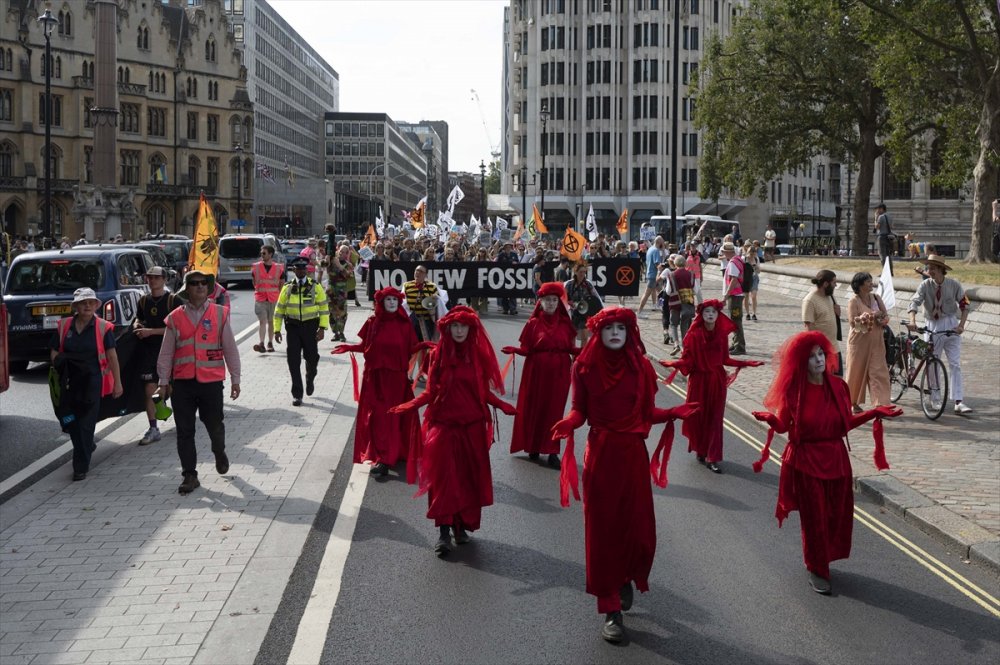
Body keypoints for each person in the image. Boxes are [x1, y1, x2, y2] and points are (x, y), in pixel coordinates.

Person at [551, 307, 697, 643]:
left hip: (632, 456)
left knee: (637, 530)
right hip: (601, 457)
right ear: (598, 333)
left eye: (621, 327)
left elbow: (647, 412)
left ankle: (625, 577)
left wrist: (674, 411)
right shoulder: (584, 367)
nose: (615, 333)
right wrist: (570, 423)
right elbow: (580, 410)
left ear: (629, 331)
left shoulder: (641, 366)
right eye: (608, 328)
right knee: (603, 533)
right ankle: (611, 609)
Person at [752, 331, 901, 595]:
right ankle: (817, 568)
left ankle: (824, 559)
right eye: (812, 357)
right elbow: (784, 426)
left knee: (835, 516)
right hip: (806, 462)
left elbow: (845, 424)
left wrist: (874, 412)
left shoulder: (839, 387)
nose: (819, 360)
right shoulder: (793, 391)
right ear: (802, 362)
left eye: (821, 354)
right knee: (815, 519)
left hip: (837, 461)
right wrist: (769, 419)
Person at [389, 306, 517, 556]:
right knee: (445, 479)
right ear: (447, 329)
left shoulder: (477, 357)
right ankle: (444, 532)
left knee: (467, 479)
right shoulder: (438, 356)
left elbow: (483, 392)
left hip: (471, 428)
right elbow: (431, 391)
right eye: (454, 326)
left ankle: (461, 528)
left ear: (470, 329)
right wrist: (412, 404)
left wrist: (502, 404)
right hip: (444, 426)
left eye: (463, 326)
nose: (459, 331)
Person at [156, 270, 241, 495]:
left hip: (211, 382)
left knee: (214, 424)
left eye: (204, 283)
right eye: (195, 283)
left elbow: (230, 349)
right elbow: (166, 353)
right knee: (185, 430)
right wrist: (163, 381)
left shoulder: (220, 314)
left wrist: (236, 379)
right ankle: (189, 475)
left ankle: (219, 451)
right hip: (182, 383)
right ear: (187, 289)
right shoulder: (175, 317)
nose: (200, 286)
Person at [660, 299, 762, 473]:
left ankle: (712, 457)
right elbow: (688, 361)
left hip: (716, 381)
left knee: (715, 419)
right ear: (701, 314)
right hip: (698, 381)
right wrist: (673, 363)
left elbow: (725, 360)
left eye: (713, 312)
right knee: (698, 417)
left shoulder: (722, 335)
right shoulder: (693, 335)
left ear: (718, 315)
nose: (710, 314)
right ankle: (701, 449)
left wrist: (746, 363)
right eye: (707, 311)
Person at [332, 287, 423, 476]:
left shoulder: (404, 324)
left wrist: (426, 346)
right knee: (378, 417)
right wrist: (350, 347)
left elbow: (412, 347)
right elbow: (366, 346)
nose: (391, 303)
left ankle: (391, 454)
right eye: (388, 300)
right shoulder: (373, 322)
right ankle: (383, 457)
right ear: (381, 302)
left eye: (395, 300)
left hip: (396, 380)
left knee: (394, 416)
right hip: (374, 378)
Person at [50, 288, 124, 480]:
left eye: (91, 302)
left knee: (85, 424)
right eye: (83, 302)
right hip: (68, 383)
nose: (88, 305)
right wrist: (59, 361)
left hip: (92, 382)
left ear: (96, 305)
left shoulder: (102, 327)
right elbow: (54, 351)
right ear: (75, 306)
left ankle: (80, 467)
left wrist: (118, 383)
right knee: (69, 421)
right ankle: (87, 445)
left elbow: (112, 356)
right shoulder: (64, 325)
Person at [502, 282, 578, 469]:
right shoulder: (533, 324)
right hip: (535, 372)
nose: (551, 303)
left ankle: (552, 451)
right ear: (540, 302)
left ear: (558, 302)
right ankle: (533, 446)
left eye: (554, 300)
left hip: (560, 373)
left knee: (554, 411)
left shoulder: (566, 325)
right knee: (535, 408)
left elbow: (570, 348)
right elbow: (527, 349)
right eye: (547, 300)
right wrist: (516, 350)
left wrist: (588, 350)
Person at [907, 255, 972, 414]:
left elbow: (964, 305)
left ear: (941, 270)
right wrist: (913, 320)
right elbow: (914, 302)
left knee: (955, 363)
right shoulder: (925, 285)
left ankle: (958, 401)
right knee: (933, 362)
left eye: (933, 268)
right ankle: (935, 398)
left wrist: (961, 325)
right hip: (932, 324)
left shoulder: (954, 285)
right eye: (928, 268)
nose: (929, 271)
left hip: (950, 324)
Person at [274, 257, 329, 407]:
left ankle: (310, 377)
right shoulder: (287, 287)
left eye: (303, 269)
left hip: (310, 327)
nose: (301, 271)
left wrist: (323, 328)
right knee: (293, 361)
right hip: (292, 327)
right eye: (298, 269)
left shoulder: (315, 286)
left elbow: (324, 308)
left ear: (306, 270)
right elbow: (279, 309)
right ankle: (297, 394)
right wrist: (277, 329)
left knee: (312, 358)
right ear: (293, 270)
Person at [133, 267, 179, 445]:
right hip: (149, 352)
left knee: (172, 389)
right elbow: (138, 318)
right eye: (149, 277)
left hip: (170, 351)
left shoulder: (173, 300)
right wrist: (137, 325)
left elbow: (176, 328)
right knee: (149, 390)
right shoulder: (144, 301)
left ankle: (181, 421)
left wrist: (150, 331)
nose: (152, 281)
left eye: (156, 277)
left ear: (164, 279)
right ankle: (153, 428)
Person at [844, 272, 890, 412]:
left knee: (879, 372)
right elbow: (853, 322)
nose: (871, 284)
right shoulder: (854, 301)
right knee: (855, 372)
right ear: (859, 285)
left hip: (876, 341)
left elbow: (885, 314)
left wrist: (884, 320)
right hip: (859, 342)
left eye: (871, 281)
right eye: (868, 281)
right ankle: (853, 402)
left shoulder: (876, 297)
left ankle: (881, 404)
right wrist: (871, 315)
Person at [801, 270, 842, 375]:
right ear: (825, 284)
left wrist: (838, 313)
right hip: (821, 351)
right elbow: (808, 327)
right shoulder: (810, 300)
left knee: (838, 381)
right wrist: (813, 351)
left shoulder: (830, 297)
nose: (836, 285)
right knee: (824, 384)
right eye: (834, 283)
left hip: (834, 348)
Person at [251, 245, 284, 353]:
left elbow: (282, 284)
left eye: (264, 253)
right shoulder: (255, 267)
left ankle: (270, 343)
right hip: (260, 298)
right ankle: (261, 343)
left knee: (271, 322)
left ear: (270, 254)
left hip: (273, 299)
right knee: (262, 321)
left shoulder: (279, 267)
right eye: (261, 253)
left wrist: (278, 296)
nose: (262, 255)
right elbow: (254, 282)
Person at [661, 254, 695, 355]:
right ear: (685, 263)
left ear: (675, 264)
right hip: (687, 303)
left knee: (674, 324)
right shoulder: (691, 274)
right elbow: (696, 290)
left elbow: (668, 291)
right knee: (684, 325)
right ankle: (684, 347)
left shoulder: (671, 275)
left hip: (675, 303)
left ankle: (676, 344)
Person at [564, 261, 603, 346]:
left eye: (584, 272)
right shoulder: (569, 284)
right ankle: (573, 356)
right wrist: (571, 303)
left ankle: (582, 356)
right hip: (573, 314)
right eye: (580, 272)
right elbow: (564, 298)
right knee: (572, 337)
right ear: (576, 272)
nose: (582, 274)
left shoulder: (588, 284)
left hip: (584, 314)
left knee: (585, 337)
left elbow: (595, 297)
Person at [719, 242, 747, 354]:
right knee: (734, 319)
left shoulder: (732, 263)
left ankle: (740, 346)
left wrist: (726, 295)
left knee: (736, 320)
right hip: (736, 295)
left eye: (724, 252)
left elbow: (733, 280)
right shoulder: (738, 260)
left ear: (728, 252)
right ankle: (735, 342)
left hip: (734, 296)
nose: (723, 254)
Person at [327, 245, 353, 342]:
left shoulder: (348, 265)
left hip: (342, 292)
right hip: (331, 292)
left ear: (347, 254)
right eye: (341, 251)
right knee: (332, 313)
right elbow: (324, 266)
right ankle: (335, 333)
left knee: (342, 313)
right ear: (338, 251)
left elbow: (348, 276)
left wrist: (339, 266)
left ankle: (341, 333)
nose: (342, 253)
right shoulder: (332, 262)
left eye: (345, 252)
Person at [637, 236, 665, 316]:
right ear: (660, 242)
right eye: (662, 242)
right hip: (653, 275)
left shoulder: (650, 249)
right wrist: (662, 269)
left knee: (660, 292)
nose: (663, 244)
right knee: (647, 293)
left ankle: (662, 308)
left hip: (650, 274)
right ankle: (639, 311)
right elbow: (657, 264)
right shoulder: (656, 251)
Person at [496, 241, 519, 315]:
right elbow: (497, 264)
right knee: (504, 293)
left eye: (509, 246)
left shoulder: (514, 254)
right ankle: (505, 309)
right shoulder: (501, 255)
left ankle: (513, 309)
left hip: (512, 277)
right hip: (503, 277)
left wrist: (516, 263)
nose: (508, 248)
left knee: (513, 293)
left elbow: (518, 263)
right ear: (504, 247)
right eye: (507, 247)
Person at [743, 241, 760, 321]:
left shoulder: (756, 259)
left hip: (754, 278)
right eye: (751, 252)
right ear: (748, 251)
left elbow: (759, 271)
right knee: (746, 296)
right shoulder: (744, 258)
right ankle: (747, 313)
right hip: (746, 278)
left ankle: (754, 313)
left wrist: (756, 266)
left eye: (753, 253)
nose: (752, 254)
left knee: (753, 296)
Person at [873, 203, 894, 269]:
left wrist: (875, 219)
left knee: (882, 255)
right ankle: (890, 271)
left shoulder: (881, 217)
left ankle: (885, 272)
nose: (877, 211)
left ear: (881, 209)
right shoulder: (890, 216)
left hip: (882, 237)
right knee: (888, 255)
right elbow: (891, 226)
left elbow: (877, 227)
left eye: (878, 209)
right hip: (888, 237)